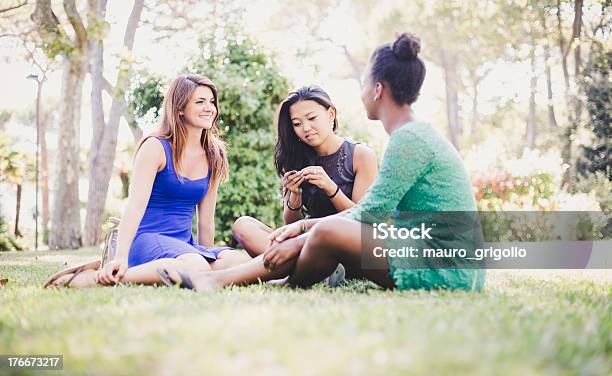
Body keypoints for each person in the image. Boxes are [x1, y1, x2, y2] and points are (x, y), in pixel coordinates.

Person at [157, 33, 485, 292]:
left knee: (327, 231)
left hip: (445, 268)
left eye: (364, 84)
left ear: (378, 89)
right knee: (321, 231)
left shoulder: (409, 139)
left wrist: (302, 231)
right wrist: (297, 220)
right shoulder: (412, 135)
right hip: (430, 255)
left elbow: (367, 215)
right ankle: (274, 282)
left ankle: (222, 280)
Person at [46, 74, 250, 288]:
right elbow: (134, 207)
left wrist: (206, 258)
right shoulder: (155, 147)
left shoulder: (214, 153)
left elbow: (206, 221)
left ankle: (189, 269)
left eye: (212, 102)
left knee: (239, 261)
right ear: (180, 108)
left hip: (182, 245)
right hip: (146, 238)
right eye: (200, 102)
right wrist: (121, 257)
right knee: (195, 266)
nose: (210, 108)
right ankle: (98, 278)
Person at [231, 85, 378, 258]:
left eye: (312, 118)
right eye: (297, 124)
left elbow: (362, 221)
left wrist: (331, 188)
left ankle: (294, 264)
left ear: (331, 114)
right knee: (243, 225)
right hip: (306, 241)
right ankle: (303, 264)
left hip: (344, 242)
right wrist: (295, 195)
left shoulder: (361, 155)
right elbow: (291, 223)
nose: (306, 128)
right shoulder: (295, 157)